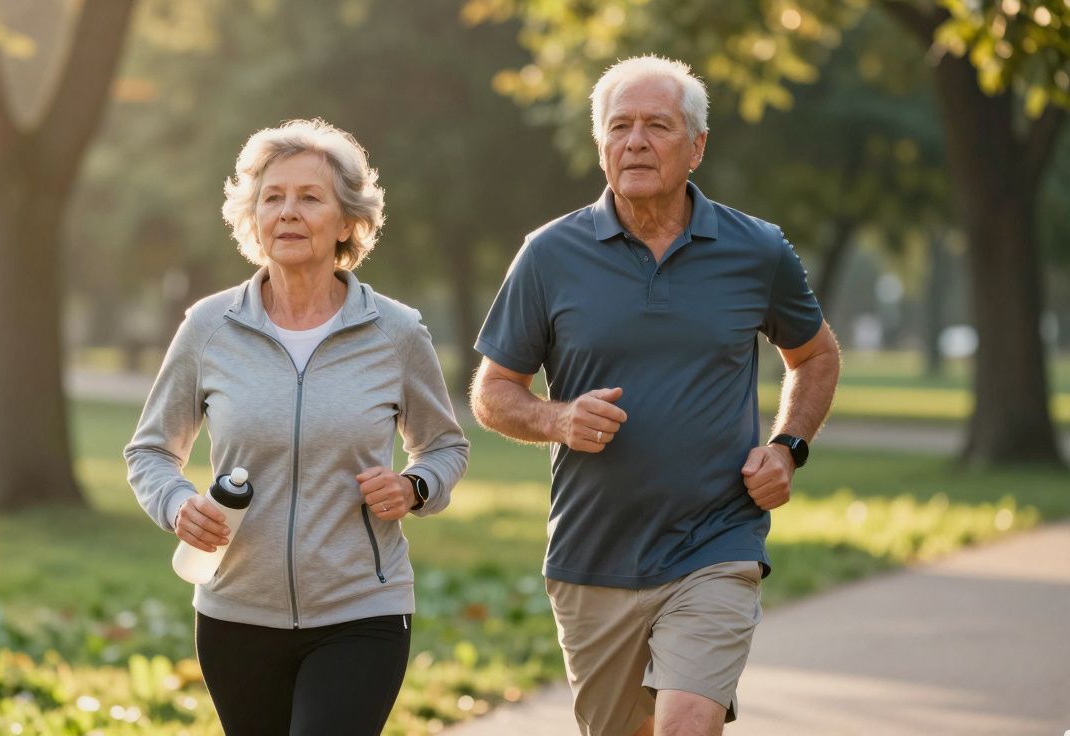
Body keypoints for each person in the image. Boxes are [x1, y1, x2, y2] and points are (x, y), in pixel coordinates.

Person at [470, 56, 840, 736]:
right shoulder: (549, 255)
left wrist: (788, 448)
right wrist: (557, 418)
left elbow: (815, 355)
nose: (635, 140)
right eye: (620, 126)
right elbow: (493, 391)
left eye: (657, 125)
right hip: (592, 555)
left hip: (715, 542)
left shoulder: (756, 250)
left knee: (684, 727)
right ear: (600, 144)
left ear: (696, 146)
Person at [124, 118, 469, 735]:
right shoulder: (210, 327)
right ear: (251, 217)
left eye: (310, 197)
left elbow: (444, 446)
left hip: (362, 611)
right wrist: (177, 506)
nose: (288, 212)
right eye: (273, 197)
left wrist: (415, 488)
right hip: (235, 612)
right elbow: (150, 451)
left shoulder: (395, 332)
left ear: (347, 222)